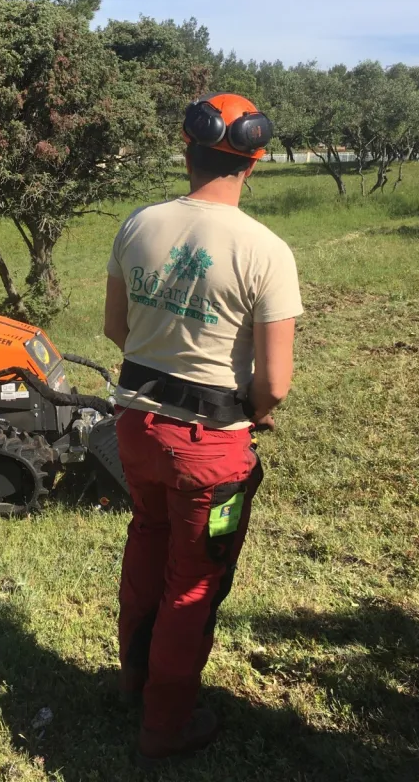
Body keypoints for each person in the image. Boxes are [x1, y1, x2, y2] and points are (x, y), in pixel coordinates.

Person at [104, 93, 302, 769]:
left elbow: (116, 328)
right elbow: (273, 383)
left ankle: (132, 680)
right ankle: (166, 726)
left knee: (146, 539)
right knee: (194, 582)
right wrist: (258, 407)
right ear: (254, 163)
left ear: (185, 150)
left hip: (135, 425)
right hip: (209, 450)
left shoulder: (139, 223)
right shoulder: (266, 251)